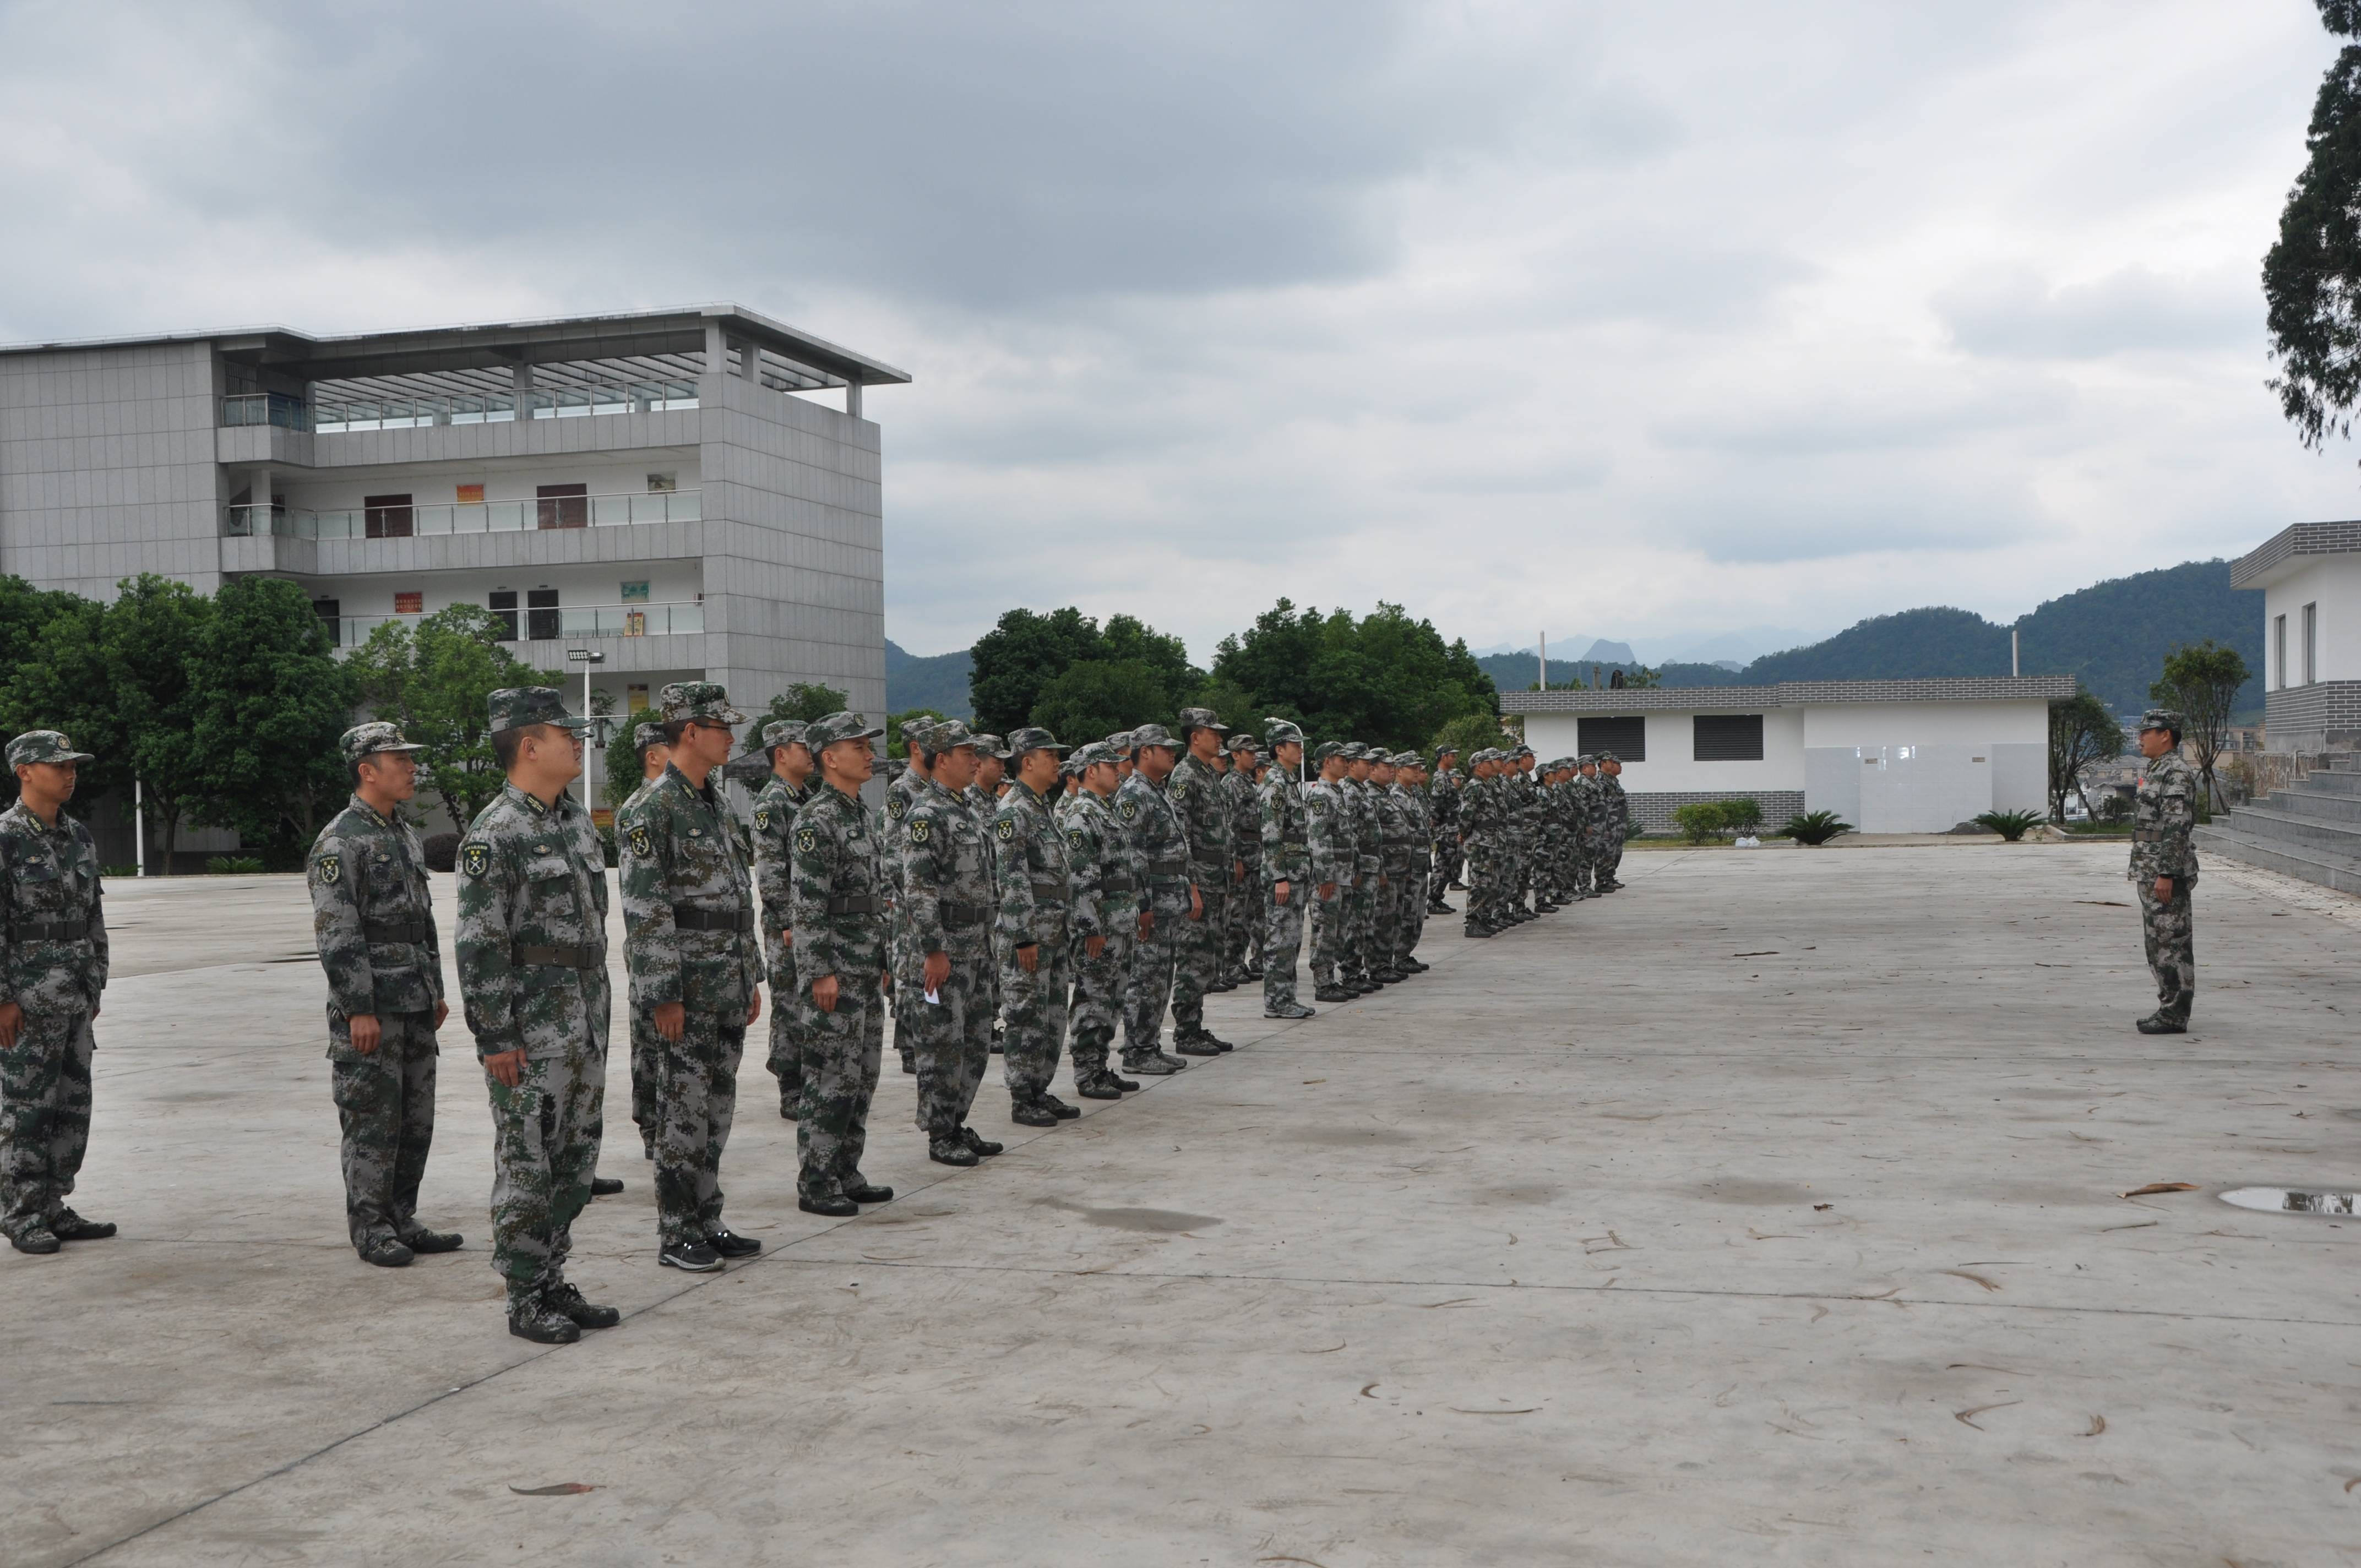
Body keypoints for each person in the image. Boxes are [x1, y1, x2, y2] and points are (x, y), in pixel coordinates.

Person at [454, 689, 615, 1343]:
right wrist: (495, 1033)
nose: (576, 742)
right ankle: (524, 1295)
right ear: (529, 746)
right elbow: (479, 941)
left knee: (575, 1160)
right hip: (531, 1027)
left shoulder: (574, 820)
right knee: (528, 1164)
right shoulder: (496, 833)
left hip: (584, 1017)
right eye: (564, 733)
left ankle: (552, 1274)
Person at [621, 682, 765, 1275]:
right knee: (682, 1111)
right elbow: (645, 908)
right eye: (721, 726)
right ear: (689, 732)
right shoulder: (650, 809)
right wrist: (663, 994)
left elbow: (737, 897)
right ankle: (677, 1229)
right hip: (685, 988)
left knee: (717, 1108)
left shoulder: (716, 803)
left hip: (724, 981)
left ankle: (708, 1215)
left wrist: (750, 973)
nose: (731, 736)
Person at [306, 721, 461, 1269]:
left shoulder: (402, 833)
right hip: (373, 1007)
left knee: (415, 1119)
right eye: (399, 759)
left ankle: (402, 1215)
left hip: (414, 999)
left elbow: (423, 921)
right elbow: (337, 933)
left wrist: (435, 987)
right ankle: (370, 1227)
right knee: (372, 1121)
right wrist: (359, 1008)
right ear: (367, 770)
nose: (411, 766)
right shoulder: (340, 840)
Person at [0, 731, 110, 1256]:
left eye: (73, 765)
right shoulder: (5, 837)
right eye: (58, 765)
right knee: (27, 1109)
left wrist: (97, 980)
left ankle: (53, 1204)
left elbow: (93, 917)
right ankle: (21, 1213)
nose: (69, 773)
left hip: (73, 995)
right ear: (25, 770)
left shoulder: (78, 837)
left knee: (72, 1106)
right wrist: (2, 997)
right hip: (26, 997)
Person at [789, 711, 896, 1216]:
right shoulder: (817, 820)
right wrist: (819, 972)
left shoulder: (860, 814)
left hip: (864, 966)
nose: (870, 755)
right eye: (859, 747)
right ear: (830, 758)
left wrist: (884, 958)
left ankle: (846, 1170)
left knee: (862, 1075)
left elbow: (876, 899)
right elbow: (807, 905)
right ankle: (816, 1178)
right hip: (836, 970)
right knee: (830, 1076)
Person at [897, 720, 1004, 1164]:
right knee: (942, 1044)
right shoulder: (926, 815)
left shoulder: (968, 809)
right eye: (966, 754)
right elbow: (918, 890)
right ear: (943, 760)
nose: (976, 761)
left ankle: (958, 1121)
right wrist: (933, 951)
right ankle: (940, 1132)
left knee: (976, 1042)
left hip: (978, 945)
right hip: (946, 950)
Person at [993, 727, 1080, 1123]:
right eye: (1051, 756)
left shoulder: (1042, 806)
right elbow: (1012, 878)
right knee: (1025, 1014)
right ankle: (1021, 1096)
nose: (1059, 762)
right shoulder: (1014, 809)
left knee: (1051, 1015)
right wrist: (1023, 936)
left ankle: (1040, 1089)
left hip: (1054, 931)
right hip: (1030, 936)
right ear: (1028, 762)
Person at [1064, 742, 1149, 1091]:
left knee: (1113, 999)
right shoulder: (1081, 814)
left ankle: (1100, 1067)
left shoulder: (1105, 810)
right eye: (1110, 765)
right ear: (1091, 771)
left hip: (1120, 923)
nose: (1118, 769)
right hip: (1101, 929)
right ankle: (1087, 1073)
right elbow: (1083, 879)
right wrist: (1091, 928)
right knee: (1093, 1000)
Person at [1117, 723, 1197, 1076]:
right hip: (1154, 905)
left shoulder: (1156, 790)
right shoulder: (1135, 793)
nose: (1172, 753)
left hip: (1170, 901)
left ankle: (1149, 1045)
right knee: (1145, 979)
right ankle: (1136, 1051)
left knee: (1161, 979)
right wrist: (1143, 906)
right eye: (1164, 748)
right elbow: (1133, 856)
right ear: (1144, 752)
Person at [750, 720, 818, 1120]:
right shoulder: (772, 803)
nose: (810, 753)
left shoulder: (805, 798)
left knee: (809, 1004)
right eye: (802, 746)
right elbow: (771, 872)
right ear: (781, 754)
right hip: (788, 925)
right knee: (791, 1004)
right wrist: (789, 921)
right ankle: (791, 1087)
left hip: (811, 920)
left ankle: (809, 1077)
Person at [614, 723, 672, 1154]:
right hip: (650, 948)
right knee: (650, 1042)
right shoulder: (639, 810)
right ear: (653, 756)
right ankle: (652, 1126)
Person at [1165, 708, 1236, 1054]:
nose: (1219, 737)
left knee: (1208, 957)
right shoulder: (1185, 777)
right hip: (1201, 882)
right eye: (1213, 732)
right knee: (1193, 958)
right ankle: (1186, 1031)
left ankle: (1196, 1025)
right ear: (1196, 737)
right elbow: (1182, 838)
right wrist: (1191, 886)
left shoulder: (1208, 774)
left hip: (1217, 879)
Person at [2129, 710, 2200, 1035]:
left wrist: (2167, 873)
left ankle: (2175, 1013)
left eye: (2147, 732)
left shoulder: (2176, 773)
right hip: (2150, 869)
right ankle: (2167, 1005)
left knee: (2172, 942)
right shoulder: (2157, 769)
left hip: (2164, 873)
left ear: (2166, 734)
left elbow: (2176, 826)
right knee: (2156, 943)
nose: (2140, 738)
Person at [883, 720, 939, 1076]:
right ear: (917, 747)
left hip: (933, 898)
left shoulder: (937, 789)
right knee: (910, 973)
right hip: (909, 899)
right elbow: (893, 850)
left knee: (925, 974)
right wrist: (904, 898)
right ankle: (908, 1046)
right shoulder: (902, 790)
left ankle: (924, 1039)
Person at [1258, 722, 1317, 1020]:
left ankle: (1286, 998)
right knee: (1280, 939)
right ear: (1279, 749)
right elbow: (1271, 835)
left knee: (1291, 939)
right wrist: (1279, 876)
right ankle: (1276, 1001)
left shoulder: (1290, 781)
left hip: (1297, 873)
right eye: (1295, 745)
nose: (1301, 750)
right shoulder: (1275, 784)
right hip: (1284, 877)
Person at [1305, 741, 1356, 1001]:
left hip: (1343, 874)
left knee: (1338, 930)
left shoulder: (1338, 793)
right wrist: (1324, 876)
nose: (1346, 763)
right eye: (1341, 758)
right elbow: (1319, 838)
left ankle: (1331, 978)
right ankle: (1322, 983)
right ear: (1327, 762)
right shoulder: (1321, 795)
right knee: (1325, 929)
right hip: (1330, 878)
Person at [1221, 732, 1264, 986]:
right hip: (1242, 859)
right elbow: (1231, 824)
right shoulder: (1231, 784)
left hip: (1255, 856)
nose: (1254, 756)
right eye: (1249, 753)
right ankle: (1230, 964)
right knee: (1236, 917)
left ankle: (1239, 961)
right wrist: (1236, 859)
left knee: (1249, 916)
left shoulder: (1249, 783)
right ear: (1236, 756)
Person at [1461, 749, 1504, 938]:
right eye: (1488, 763)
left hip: (1489, 842)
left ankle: (1483, 919)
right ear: (1479, 767)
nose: (1492, 765)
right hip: (1479, 843)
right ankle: (1472, 923)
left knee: (1488, 883)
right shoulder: (1474, 787)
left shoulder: (1485, 786)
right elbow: (1466, 815)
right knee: (1478, 883)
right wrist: (1464, 834)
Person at [1596, 753, 1630, 891]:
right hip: (1608, 824)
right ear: (1603, 764)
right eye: (1615, 763)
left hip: (1617, 823)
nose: (1618, 766)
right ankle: (1601, 881)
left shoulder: (1612, 781)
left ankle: (1609, 878)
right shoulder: (1601, 782)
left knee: (1615, 853)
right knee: (1605, 852)